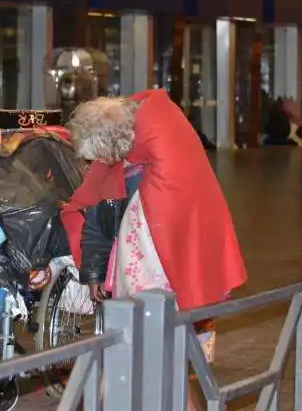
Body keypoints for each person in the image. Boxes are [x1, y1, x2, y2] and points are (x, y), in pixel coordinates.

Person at [61, 91, 247, 373]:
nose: (95, 165)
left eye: (97, 157)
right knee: (169, 363)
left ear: (109, 145)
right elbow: (100, 215)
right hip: (162, 284)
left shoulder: (150, 158)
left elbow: (104, 217)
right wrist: (95, 272)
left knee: (166, 365)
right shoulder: (148, 132)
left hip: (154, 287)